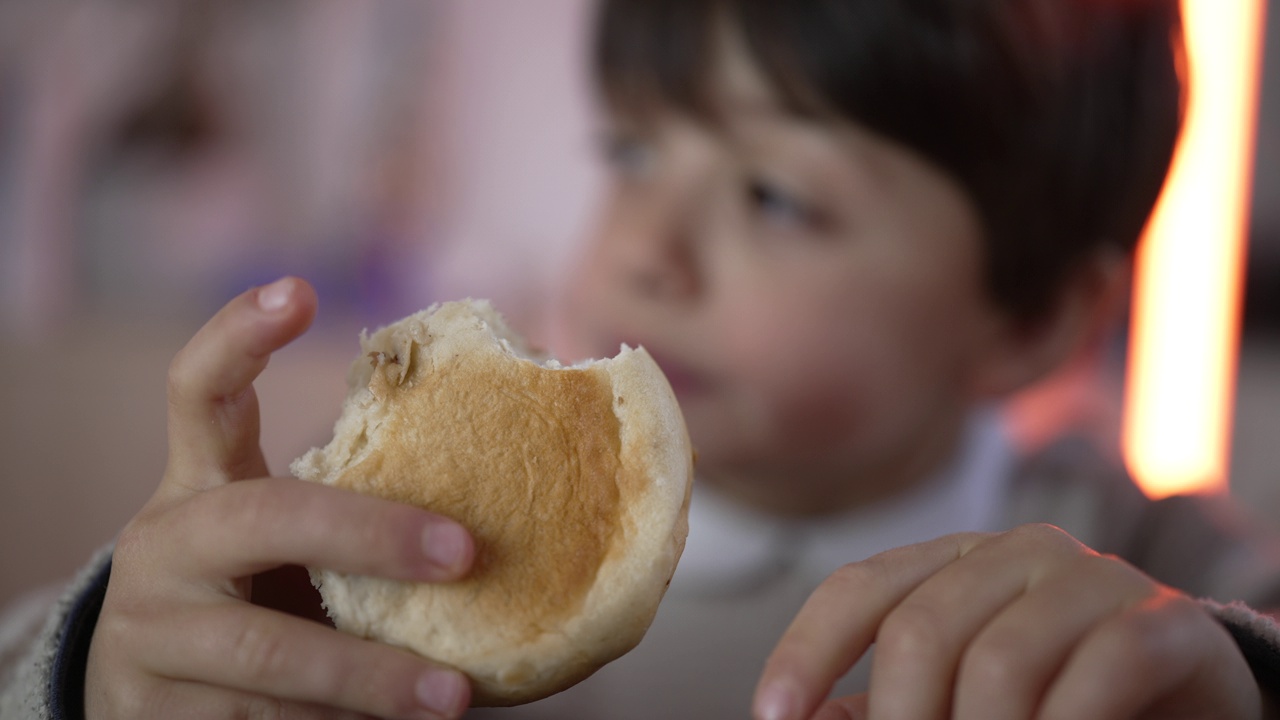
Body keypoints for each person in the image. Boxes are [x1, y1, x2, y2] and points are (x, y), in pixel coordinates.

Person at [5, 0, 1280, 718]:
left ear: (1033, 320)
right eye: (630, 156)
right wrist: (99, 669)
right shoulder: (399, 547)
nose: (648, 249)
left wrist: (1226, 686)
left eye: (776, 197)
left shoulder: (1145, 568)